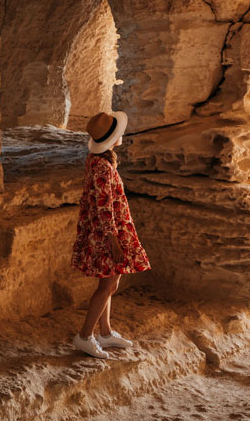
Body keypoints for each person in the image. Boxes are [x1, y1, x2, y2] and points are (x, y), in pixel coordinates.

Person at [70, 110, 151, 359]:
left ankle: (104, 333)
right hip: (107, 233)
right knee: (107, 285)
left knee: (110, 282)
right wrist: (113, 238)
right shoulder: (103, 167)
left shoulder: (96, 161)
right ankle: (84, 336)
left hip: (103, 230)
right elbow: (104, 205)